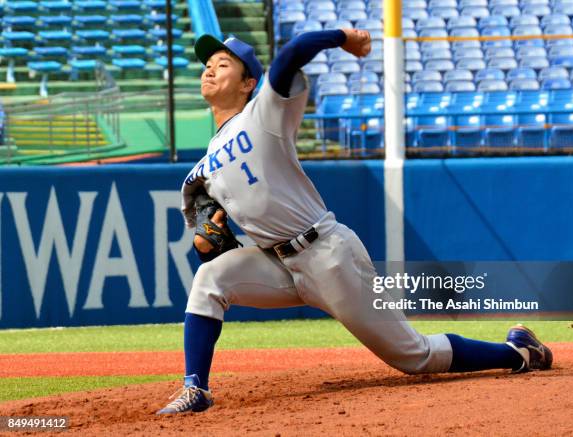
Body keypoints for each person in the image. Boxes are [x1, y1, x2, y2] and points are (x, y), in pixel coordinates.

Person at [156, 29, 553, 414]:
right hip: (278, 264)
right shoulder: (205, 165)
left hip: (326, 255)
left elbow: (294, 51)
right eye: (207, 64)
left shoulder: (265, 114)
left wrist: (343, 37)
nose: (209, 70)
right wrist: (209, 241)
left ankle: (517, 351)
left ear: (248, 83)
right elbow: (212, 241)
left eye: (222, 64)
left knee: (414, 355)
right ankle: (196, 388)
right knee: (211, 281)